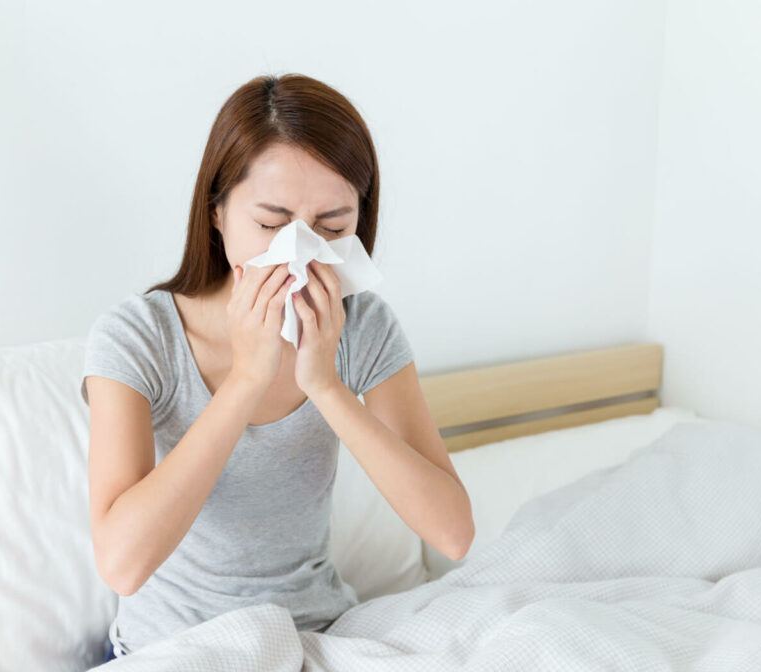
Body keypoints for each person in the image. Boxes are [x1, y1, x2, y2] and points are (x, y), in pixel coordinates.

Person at [82, 72, 473, 660]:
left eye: (333, 227)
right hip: (172, 650)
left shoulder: (361, 327)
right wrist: (245, 381)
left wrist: (325, 385)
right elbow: (122, 565)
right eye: (271, 224)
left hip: (316, 639)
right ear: (216, 212)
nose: (301, 251)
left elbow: (453, 532)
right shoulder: (140, 337)